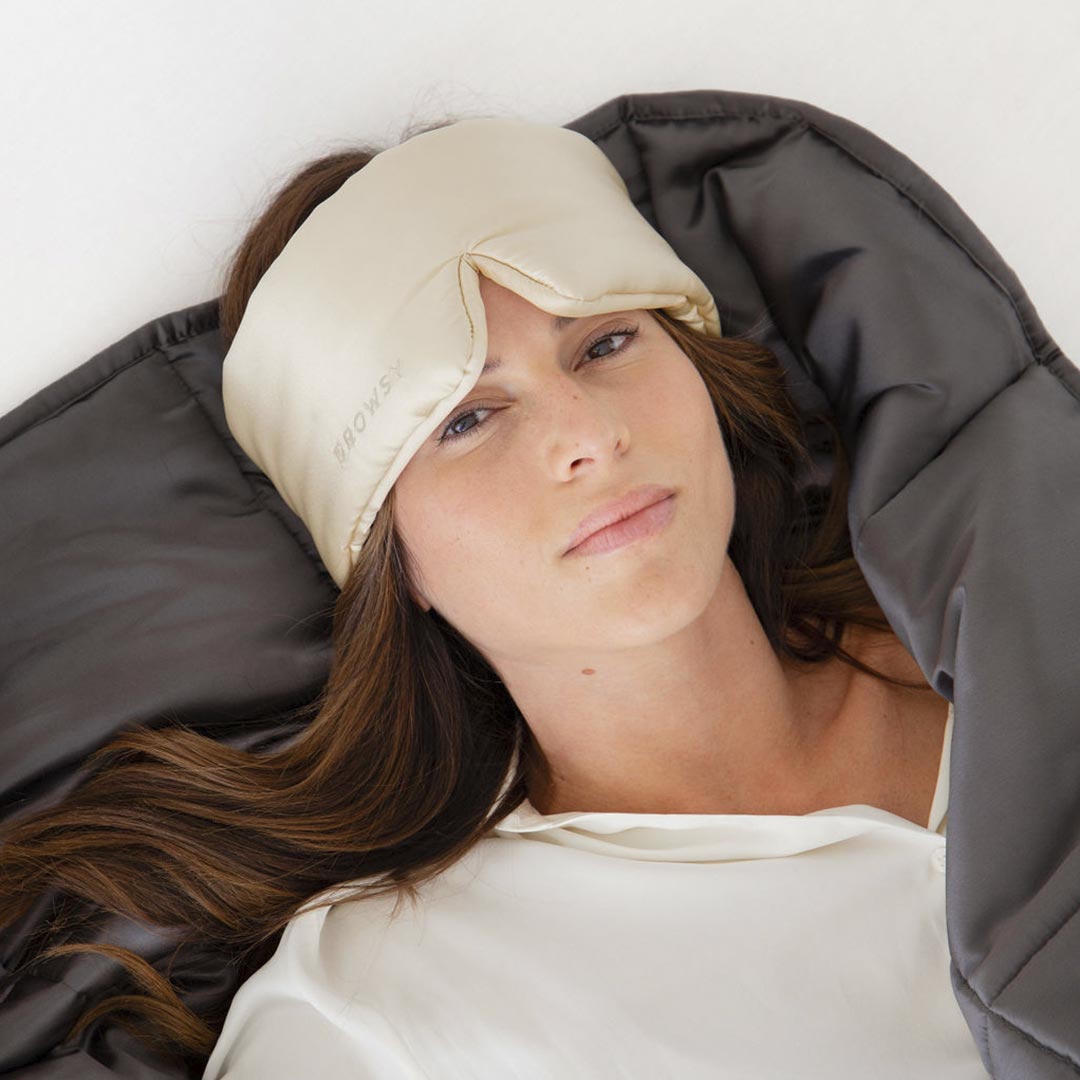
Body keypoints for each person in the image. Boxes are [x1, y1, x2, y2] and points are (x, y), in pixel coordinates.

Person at [0, 114, 986, 1078]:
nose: (586, 436)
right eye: (466, 418)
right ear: (391, 558)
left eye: (603, 345)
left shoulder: (1000, 613)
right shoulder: (379, 1013)